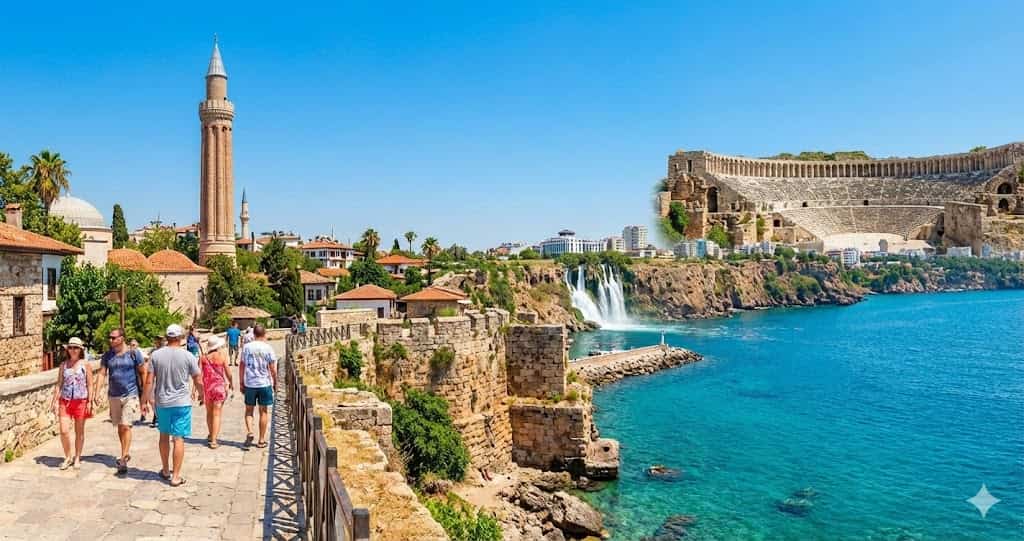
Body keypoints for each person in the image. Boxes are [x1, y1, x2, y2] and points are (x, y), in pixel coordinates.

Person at [145, 324, 203, 487]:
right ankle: (175, 476)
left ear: (167, 337)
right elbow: (198, 379)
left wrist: (145, 400)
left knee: (163, 435)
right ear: (180, 338)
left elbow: (149, 380)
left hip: (162, 401)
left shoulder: (156, 356)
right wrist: (202, 394)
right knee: (178, 438)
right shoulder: (188, 356)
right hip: (181, 403)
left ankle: (165, 470)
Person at [97, 327, 147, 476]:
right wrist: (97, 392)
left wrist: (144, 394)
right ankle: (124, 451)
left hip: (130, 394)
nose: (110, 340)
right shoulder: (107, 356)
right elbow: (101, 373)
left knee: (126, 426)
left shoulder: (133, 354)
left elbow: (143, 372)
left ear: (122, 338)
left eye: (113, 337)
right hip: (114, 395)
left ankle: (124, 458)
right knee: (120, 426)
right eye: (110, 337)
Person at [50, 337, 92, 470]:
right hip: (65, 401)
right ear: (67, 350)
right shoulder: (63, 365)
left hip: (81, 401)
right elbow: (59, 384)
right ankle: (68, 457)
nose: (73, 350)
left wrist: (90, 402)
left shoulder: (85, 365)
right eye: (70, 347)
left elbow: (90, 384)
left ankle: (77, 457)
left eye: (76, 348)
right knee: (63, 430)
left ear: (80, 350)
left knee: (79, 432)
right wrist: (54, 400)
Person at [239, 325, 277, 448]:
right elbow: (272, 368)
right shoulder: (268, 348)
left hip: (250, 383)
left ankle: (250, 431)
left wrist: (241, 382)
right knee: (263, 412)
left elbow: (242, 366)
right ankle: (261, 440)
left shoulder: (247, 348)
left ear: (254, 334)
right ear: (264, 333)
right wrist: (275, 382)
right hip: (264, 383)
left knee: (249, 411)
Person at [200, 335, 234, 449]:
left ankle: (210, 435)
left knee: (209, 413)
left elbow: (199, 375)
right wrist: (231, 383)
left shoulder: (203, 358)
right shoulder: (222, 356)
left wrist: (196, 390)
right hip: (219, 387)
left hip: (208, 388)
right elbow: (228, 372)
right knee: (217, 414)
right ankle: (214, 440)